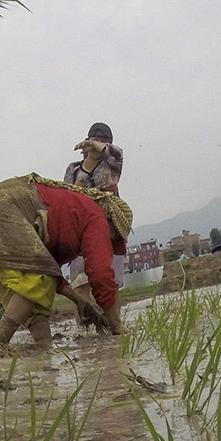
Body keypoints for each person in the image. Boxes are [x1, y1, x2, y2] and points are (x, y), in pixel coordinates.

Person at [0, 174, 132, 348]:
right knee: (36, 283)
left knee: (37, 289)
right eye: (114, 238)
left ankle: (44, 349)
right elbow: (101, 274)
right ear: (112, 224)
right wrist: (116, 326)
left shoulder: (72, 209)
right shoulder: (96, 216)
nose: (109, 242)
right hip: (2, 210)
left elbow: (50, 271)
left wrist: (79, 301)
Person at [64, 122, 126, 305]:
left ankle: (115, 329)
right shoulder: (74, 169)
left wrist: (96, 145)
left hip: (108, 227)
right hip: (81, 229)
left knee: (109, 280)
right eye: (94, 140)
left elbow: (117, 152)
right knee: (80, 282)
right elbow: (67, 196)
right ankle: (84, 326)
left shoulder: (112, 164)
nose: (97, 145)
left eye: (102, 142)